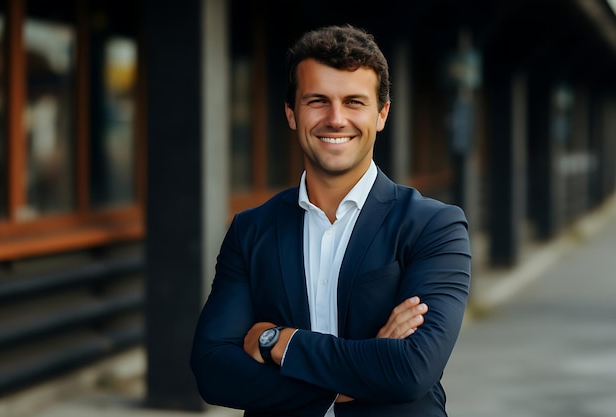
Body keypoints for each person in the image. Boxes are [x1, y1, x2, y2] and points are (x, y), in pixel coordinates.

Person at [191, 24, 471, 416]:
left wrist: (277, 341)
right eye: (317, 101)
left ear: (382, 114)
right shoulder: (251, 230)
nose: (336, 119)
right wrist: (352, 379)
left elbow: (411, 369)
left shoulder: (433, 227)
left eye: (354, 102)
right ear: (291, 113)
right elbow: (213, 370)